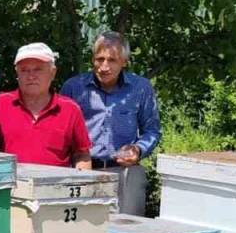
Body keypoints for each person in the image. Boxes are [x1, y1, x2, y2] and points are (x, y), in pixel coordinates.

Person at [61, 31, 161, 214]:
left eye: (112, 60)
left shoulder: (141, 88)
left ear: (124, 62)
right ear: (92, 59)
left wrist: (138, 150)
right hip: (82, 170)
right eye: (100, 59)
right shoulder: (74, 87)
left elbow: (152, 130)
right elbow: (60, 131)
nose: (104, 66)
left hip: (124, 172)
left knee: (127, 232)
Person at [0, 42, 91, 169]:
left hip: (55, 186)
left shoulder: (70, 110)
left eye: (38, 69)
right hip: (7, 185)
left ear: (53, 73)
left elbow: (81, 154)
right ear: (17, 74)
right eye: (24, 70)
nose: (31, 76)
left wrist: (82, 183)